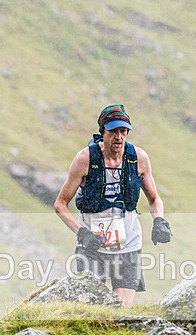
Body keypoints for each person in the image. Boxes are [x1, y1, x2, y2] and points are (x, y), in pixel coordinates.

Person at [54, 104, 171, 306]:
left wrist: (159, 220)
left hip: (128, 246)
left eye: (123, 131)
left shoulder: (138, 158)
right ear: (103, 132)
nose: (119, 137)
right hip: (92, 247)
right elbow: (60, 204)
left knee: (120, 310)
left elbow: (154, 199)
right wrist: (81, 233)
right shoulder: (85, 159)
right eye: (113, 131)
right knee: (89, 310)